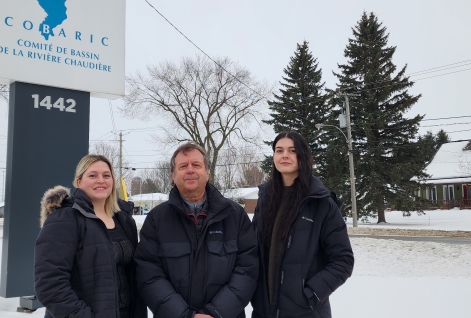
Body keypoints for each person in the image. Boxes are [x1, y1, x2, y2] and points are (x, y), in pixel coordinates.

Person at [135, 142, 258, 318]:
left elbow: (247, 270)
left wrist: (215, 313)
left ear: (207, 173)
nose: (190, 170)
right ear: (173, 175)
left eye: (196, 165)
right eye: (183, 166)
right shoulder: (157, 219)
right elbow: (149, 275)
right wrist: (185, 315)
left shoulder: (235, 215)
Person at [251, 131, 354, 318]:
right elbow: (253, 250)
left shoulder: (320, 202)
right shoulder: (265, 199)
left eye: (292, 151)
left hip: (306, 312)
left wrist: (311, 294)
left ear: (303, 156)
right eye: (279, 150)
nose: (285, 155)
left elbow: (343, 260)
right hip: (264, 311)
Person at [34, 154, 147, 318]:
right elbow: (50, 284)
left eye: (106, 175)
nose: (101, 180)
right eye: (93, 175)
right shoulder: (65, 219)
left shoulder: (124, 219)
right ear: (79, 182)